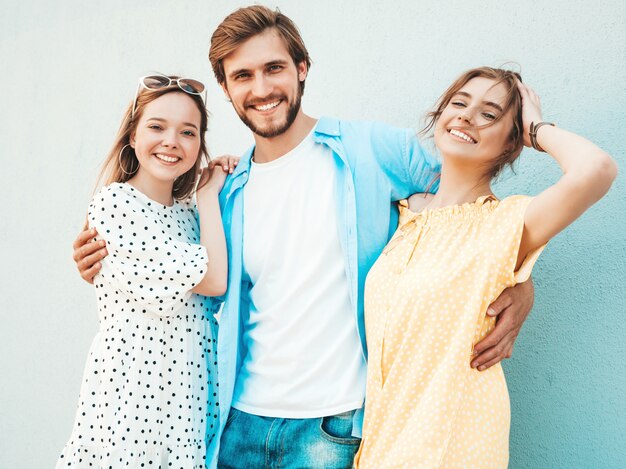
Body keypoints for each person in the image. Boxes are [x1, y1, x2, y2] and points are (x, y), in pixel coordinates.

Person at [73, 6, 534, 468]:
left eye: (273, 68)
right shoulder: (223, 192)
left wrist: (520, 278)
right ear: (227, 89)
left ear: (301, 68)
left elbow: (470, 206)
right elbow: (178, 273)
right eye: (243, 76)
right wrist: (105, 263)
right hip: (236, 426)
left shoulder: (372, 150)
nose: (261, 89)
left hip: (333, 428)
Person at [354, 67, 617, 468]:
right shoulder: (402, 216)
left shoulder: (506, 223)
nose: (466, 116)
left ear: (511, 143)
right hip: (383, 443)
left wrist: (536, 129)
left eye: (489, 114)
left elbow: (597, 170)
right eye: (459, 104)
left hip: (453, 447)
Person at [57, 74, 237, 468]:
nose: (171, 141)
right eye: (157, 127)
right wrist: (209, 194)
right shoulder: (114, 204)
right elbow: (213, 280)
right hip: (135, 400)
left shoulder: (190, 218)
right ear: (133, 137)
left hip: (185, 397)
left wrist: (212, 197)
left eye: (188, 132)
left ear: (199, 146)